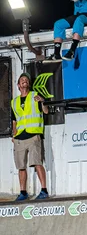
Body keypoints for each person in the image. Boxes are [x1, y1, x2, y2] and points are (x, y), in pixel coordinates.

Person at [11, 73, 49, 201]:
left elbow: (46, 111)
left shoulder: (34, 96)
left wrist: (42, 102)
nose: (24, 81)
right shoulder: (14, 102)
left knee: (37, 162)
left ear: (28, 84)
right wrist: (14, 134)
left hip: (33, 135)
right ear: (18, 85)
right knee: (21, 166)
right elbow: (14, 120)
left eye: (26, 80)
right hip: (19, 138)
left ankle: (44, 190)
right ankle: (23, 192)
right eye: (22, 80)